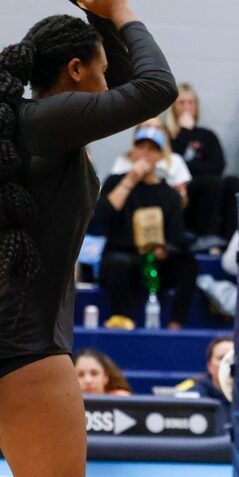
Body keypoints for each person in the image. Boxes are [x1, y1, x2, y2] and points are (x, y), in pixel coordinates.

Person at [0, 0, 177, 477]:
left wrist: (99, 20)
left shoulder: (31, 127)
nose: (109, 82)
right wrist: (121, 6)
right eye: (97, 68)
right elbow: (155, 89)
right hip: (20, 340)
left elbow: (126, 84)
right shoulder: (46, 123)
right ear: (74, 71)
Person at [94, 125, 198, 330]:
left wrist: (164, 249)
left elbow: (177, 236)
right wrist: (131, 179)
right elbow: (100, 216)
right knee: (118, 263)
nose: (145, 154)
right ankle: (122, 321)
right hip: (122, 256)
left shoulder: (168, 193)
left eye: (152, 149)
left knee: (189, 265)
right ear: (133, 151)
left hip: (156, 260)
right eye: (141, 147)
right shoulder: (116, 181)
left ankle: (175, 325)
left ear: (160, 155)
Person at [166, 82, 239, 251]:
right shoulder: (169, 136)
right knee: (211, 182)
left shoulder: (208, 135)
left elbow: (219, 165)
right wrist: (185, 132)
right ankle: (207, 236)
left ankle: (231, 240)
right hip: (185, 190)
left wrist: (193, 166)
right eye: (181, 102)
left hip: (211, 185)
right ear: (173, 107)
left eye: (190, 102)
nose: (186, 107)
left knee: (232, 181)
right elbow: (175, 165)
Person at [111, 118, 192, 206]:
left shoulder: (175, 160)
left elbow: (183, 201)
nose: (152, 131)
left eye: (157, 128)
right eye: (147, 127)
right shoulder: (124, 160)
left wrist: (179, 194)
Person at [176, 336, 234, 410]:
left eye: (233, 357)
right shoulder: (191, 397)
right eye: (221, 358)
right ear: (209, 366)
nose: (228, 363)